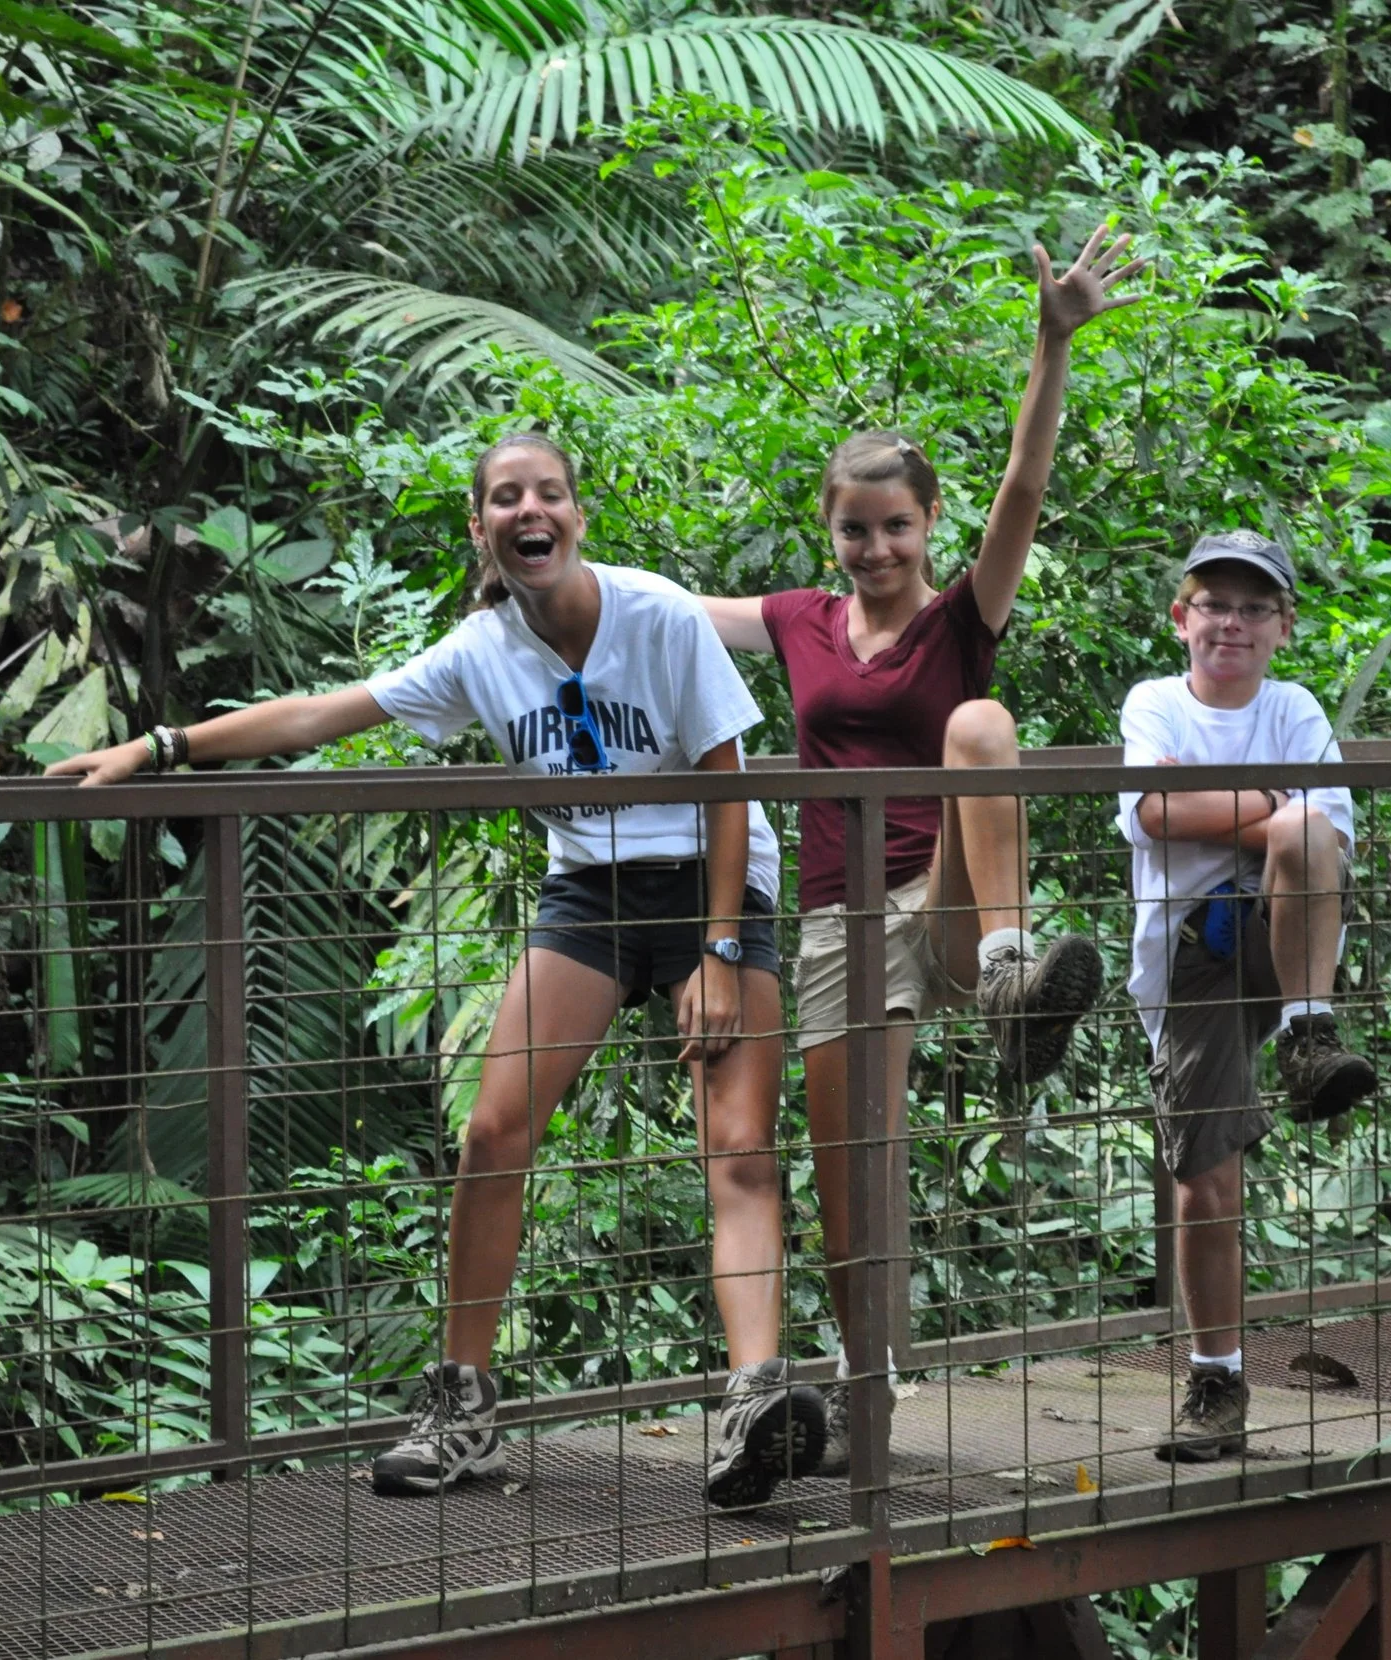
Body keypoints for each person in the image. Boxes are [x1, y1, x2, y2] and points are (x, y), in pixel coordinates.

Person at [50, 433, 825, 1509]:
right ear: (482, 527)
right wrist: (160, 747)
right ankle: (462, 1409)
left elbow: (729, 782)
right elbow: (327, 711)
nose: (527, 510)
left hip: (711, 881)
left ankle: (752, 1399)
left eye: (547, 492)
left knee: (736, 1141)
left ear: (577, 514)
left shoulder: (658, 614)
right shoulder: (481, 647)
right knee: (490, 1132)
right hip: (589, 897)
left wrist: (720, 949)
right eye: (505, 498)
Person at [695, 226, 1145, 1472]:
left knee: (982, 720)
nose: (877, 548)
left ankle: (1010, 973)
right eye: (855, 530)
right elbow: (671, 613)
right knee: (854, 1180)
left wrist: (1052, 344)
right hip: (838, 920)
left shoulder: (962, 614)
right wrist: (539, 571)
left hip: (942, 901)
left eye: (895, 525)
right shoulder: (794, 620)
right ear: (829, 530)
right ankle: (862, 1391)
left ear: (926, 521)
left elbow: (1024, 493)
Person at [1115, 529, 1377, 1460]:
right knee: (1205, 1180)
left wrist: (1232, 809)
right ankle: (1217, 1379)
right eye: (1215, 604)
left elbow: (1324, 839)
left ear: (1282, 627)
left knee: (1306, 828)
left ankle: (1311, 1033)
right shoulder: (1154, 703)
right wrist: (1268, 806)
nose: (1232, 622)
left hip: (1283, 936)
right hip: (1193, 954)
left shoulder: (1296, 707)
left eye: (1253, 607)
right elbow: (1149, 811)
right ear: (1182, 618)